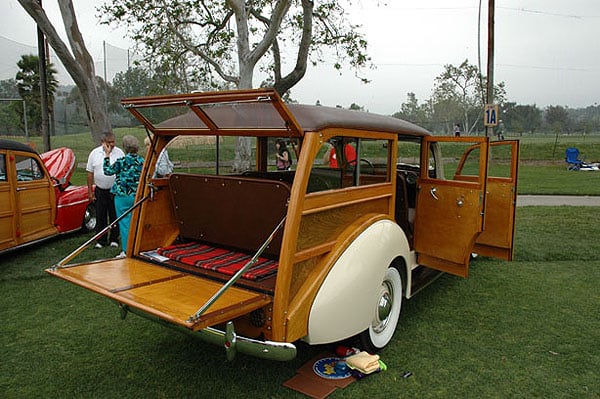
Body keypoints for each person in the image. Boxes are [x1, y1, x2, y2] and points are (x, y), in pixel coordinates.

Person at [103, 135, 144, 257]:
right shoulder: (142, 161)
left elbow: (107, 171)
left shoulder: (121, 161)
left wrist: (106, 155)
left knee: (125, 222)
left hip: (122, 196)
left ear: (125, 148)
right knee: (137, 221)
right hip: (138, 195)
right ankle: (138, 246)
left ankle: (127, 250)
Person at [86, 131, 124, 248]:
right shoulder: (94, 153)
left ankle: (114, 239)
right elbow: (90, 173)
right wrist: (90, 191)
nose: (112, 144)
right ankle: (101, 240)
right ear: (103, 142)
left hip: (114, 190)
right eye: (109, 142)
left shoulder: (119, 153)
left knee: (114, 215)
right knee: (100, 215)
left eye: (113, 141)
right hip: (100, 190)